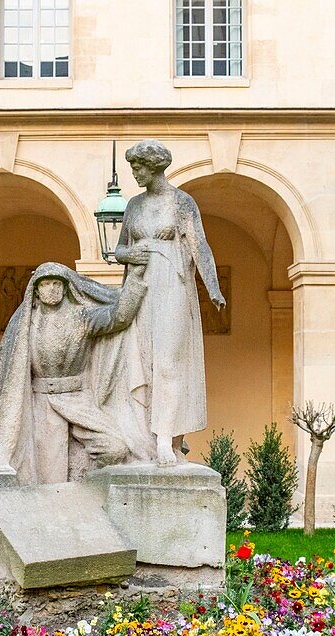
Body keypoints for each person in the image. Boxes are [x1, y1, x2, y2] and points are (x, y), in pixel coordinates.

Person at [0, 262, 151, 486]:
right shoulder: (25, 324)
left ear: (66, 287)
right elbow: (10, 369)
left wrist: (135, 279)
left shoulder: (81, 317)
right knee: (49, 478)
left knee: (115, 447)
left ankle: (86, 490)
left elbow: (118, 317)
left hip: (78, 399)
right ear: (36, 290)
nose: (52, 289)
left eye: (57, 283)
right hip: (42, 402)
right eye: (46, 284)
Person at [113, 139, 226, 466]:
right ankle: (146, 439)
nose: (134, 173)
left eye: (138, 167)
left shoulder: (181, 203)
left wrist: (213, 288)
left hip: (173, 287)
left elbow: (200, 247)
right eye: (133, 167)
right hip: (141, 288)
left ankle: (167, 439)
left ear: (154, 167)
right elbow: (119, 249)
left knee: (169, 363)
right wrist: (130, 253)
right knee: (143, 363)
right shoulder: (133, 205)